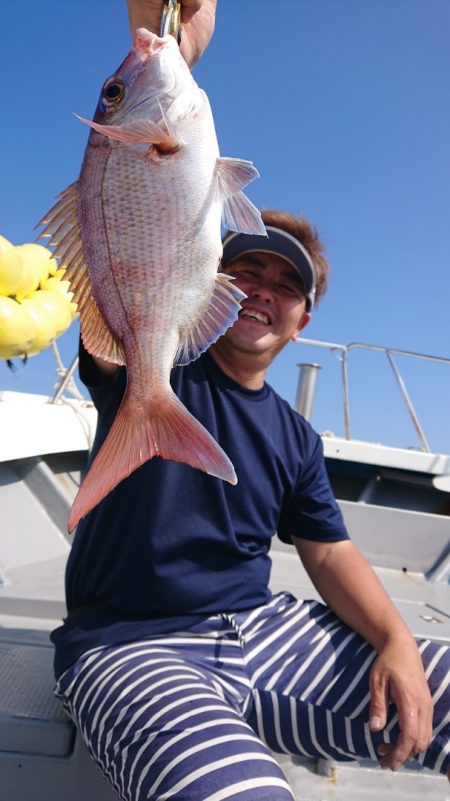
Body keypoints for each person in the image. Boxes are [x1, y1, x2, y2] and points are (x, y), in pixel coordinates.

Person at [51, 3, 450, 800]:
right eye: (250, 271)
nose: (265, 291)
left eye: (288, 285)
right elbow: (116, 234)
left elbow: (328, 551)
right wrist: (181, 45)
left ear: (305, 320)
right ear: (210, 273)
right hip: (129, 646)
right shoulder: (148, 363)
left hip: (263, 632)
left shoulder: (295, 437)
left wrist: (398, 639)